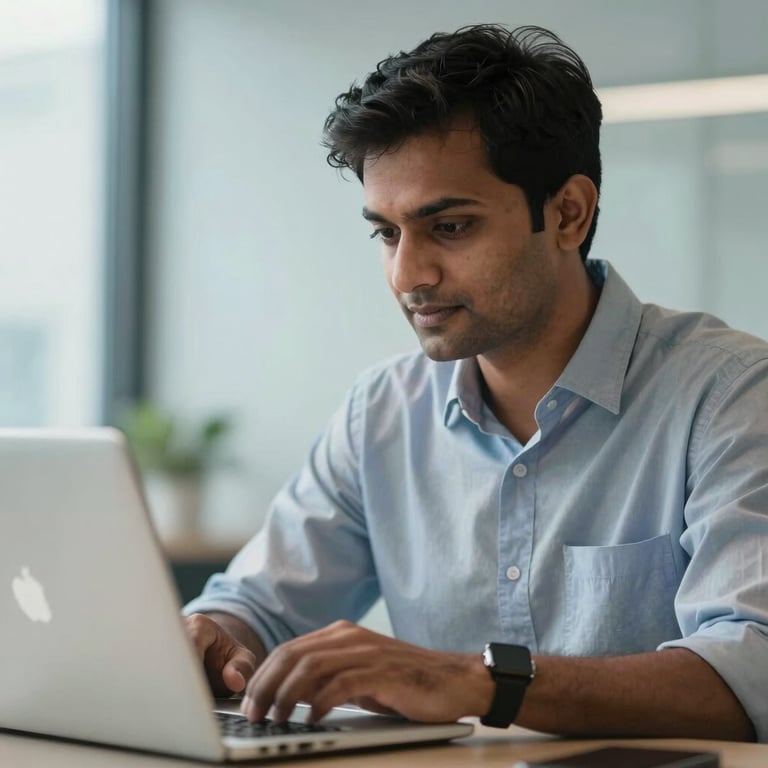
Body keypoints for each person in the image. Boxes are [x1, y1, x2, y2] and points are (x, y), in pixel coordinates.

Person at [183, 24, 768, 742]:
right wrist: (213, 635)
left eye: (450, 227)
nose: (407, 276)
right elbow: (258, 605)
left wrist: (476, 682)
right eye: (387, 234)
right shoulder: (382, 412)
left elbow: (752, 670)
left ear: (567, 213)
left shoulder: (731, 397)